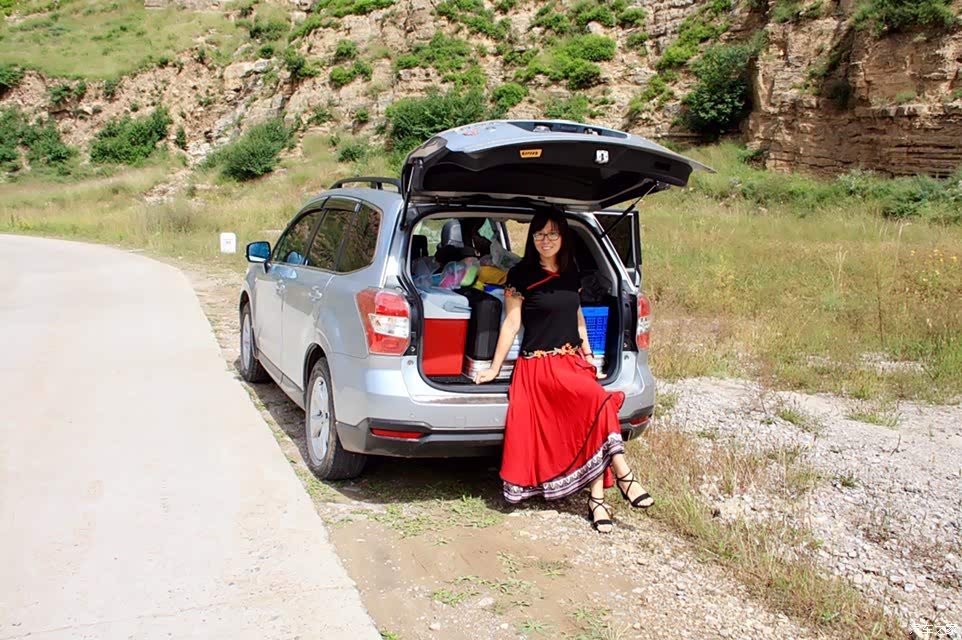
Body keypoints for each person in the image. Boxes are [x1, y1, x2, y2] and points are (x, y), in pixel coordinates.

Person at [474, 209, 655, 533]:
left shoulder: (572, 272)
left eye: (553, 234)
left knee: (597, 404)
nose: (546, 240)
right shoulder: (520, 275)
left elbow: (579, 318)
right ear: (532, 238)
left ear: (563, 237)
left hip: (572, 362)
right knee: (599, 402)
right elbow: (512, 323)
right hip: (539, 366)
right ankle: (623, 477)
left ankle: (598, 499)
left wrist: (590, 357)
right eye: (539, 234)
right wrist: (494, 368)